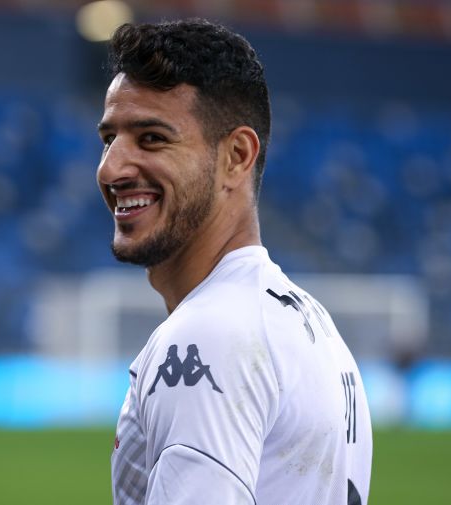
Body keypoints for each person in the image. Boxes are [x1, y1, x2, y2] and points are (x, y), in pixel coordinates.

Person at [96, 19, 372, 505]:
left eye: (152, 138)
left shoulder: (208, 338)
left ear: (236, 156)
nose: (110, 168)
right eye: (108, 139)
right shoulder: (306, 322)